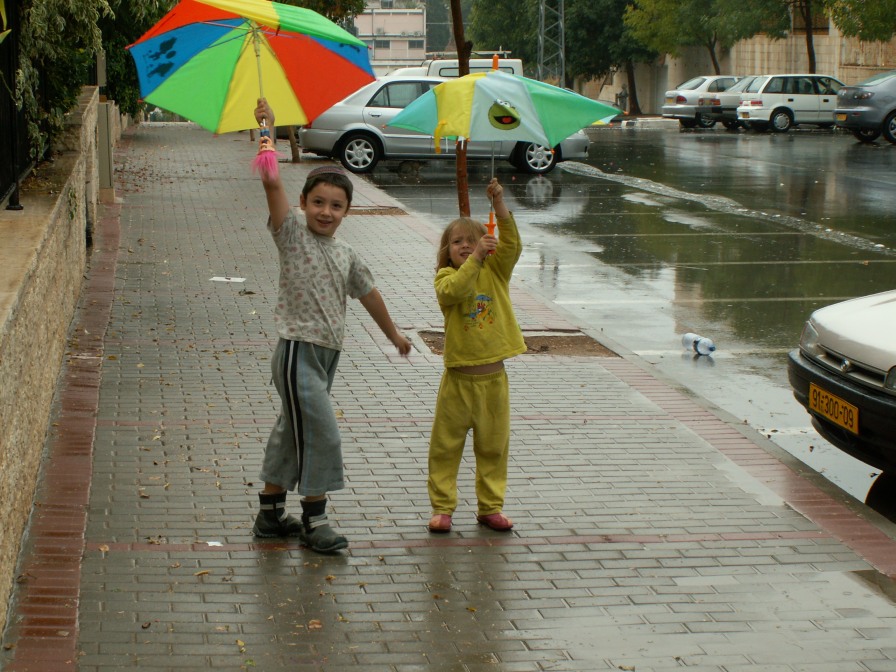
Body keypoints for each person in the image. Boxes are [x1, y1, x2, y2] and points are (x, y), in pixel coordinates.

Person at [251, 97, 412, 553]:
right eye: (318, 202)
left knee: (292, 431)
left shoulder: (346, 254)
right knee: (321, 432)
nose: (326, 211)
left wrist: (395, 335)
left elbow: (369, 293)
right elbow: (270, 180)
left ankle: (269, 514)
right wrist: (267, 129)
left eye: (336, 205)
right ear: (303, 203)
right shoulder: (290, 233)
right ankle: (315, 520)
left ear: (347, 211)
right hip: (296, 352)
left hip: (326, 356)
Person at [427, 178, 526, 534]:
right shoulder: (445, 277)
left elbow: (513, 244)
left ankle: (490, 507)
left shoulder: (496, 271)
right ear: (447, 250)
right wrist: (476, 258)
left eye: (472, 241)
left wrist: (499, 204)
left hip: (493, 383)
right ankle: (442, 508)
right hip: (457, 382)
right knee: (445, 447)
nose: (466, 246)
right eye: (457, 242)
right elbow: (455, 291)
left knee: (493, 448)